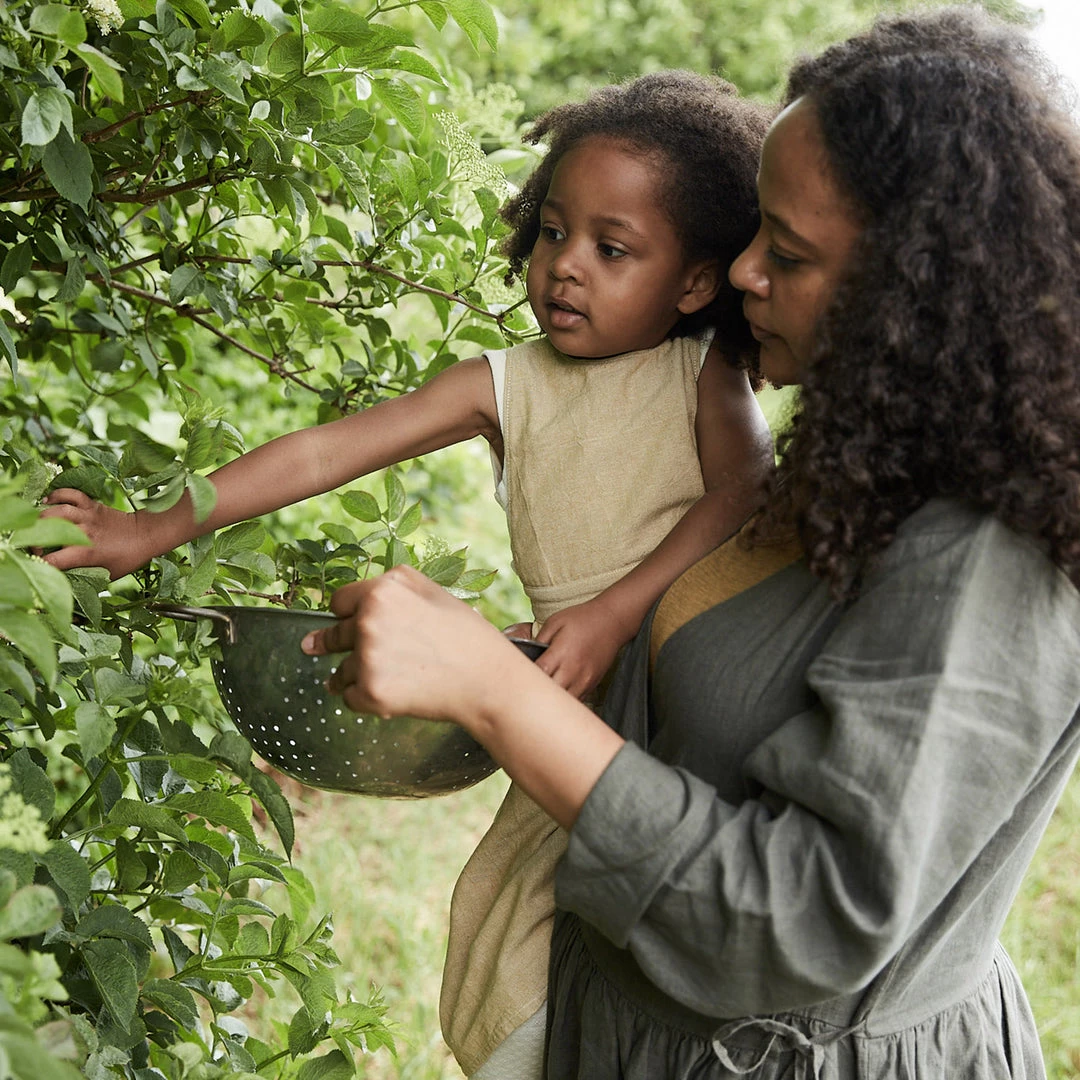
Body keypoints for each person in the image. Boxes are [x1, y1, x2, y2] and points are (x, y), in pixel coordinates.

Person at [299, 6, 1080, 1078]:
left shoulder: (990, 548)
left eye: (789, 253)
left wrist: (496, 692)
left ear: (915, 294)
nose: (744, 271)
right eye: (756, 228)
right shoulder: (860, 450)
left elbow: (804, 920)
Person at [42, 72, 775, 1078]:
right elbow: (321, 453)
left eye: (613, 249)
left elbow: (742, 496)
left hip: (687, 694)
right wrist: (149, 529)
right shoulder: (506, 384)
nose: (565, 268)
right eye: (554, 232)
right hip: (567, 696)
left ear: (694, 283)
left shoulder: (704, 373)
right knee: (516, 942)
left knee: (667, 923)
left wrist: (615, 610)